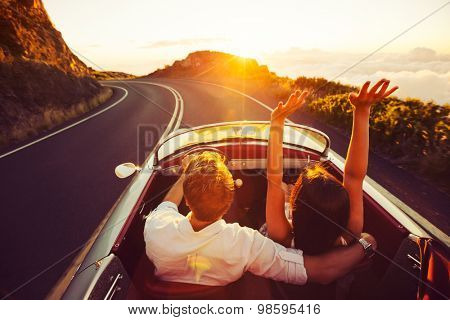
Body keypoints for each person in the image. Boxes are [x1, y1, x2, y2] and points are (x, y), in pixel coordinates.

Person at [144, 151, 377, 287]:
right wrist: (367, 243)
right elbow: (321, 271)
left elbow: (167, 205)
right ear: (229, 203)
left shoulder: (156, 227)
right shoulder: (247, 244)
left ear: (187, 199)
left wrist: (187, 174)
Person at [265, 79, 398, 254]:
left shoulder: (282, 236)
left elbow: (274, 176)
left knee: (282, 186)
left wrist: (277, 121)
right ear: (343, 215)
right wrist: (362, 111)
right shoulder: (349, 235)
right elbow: (354, 177)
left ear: (295, 206)